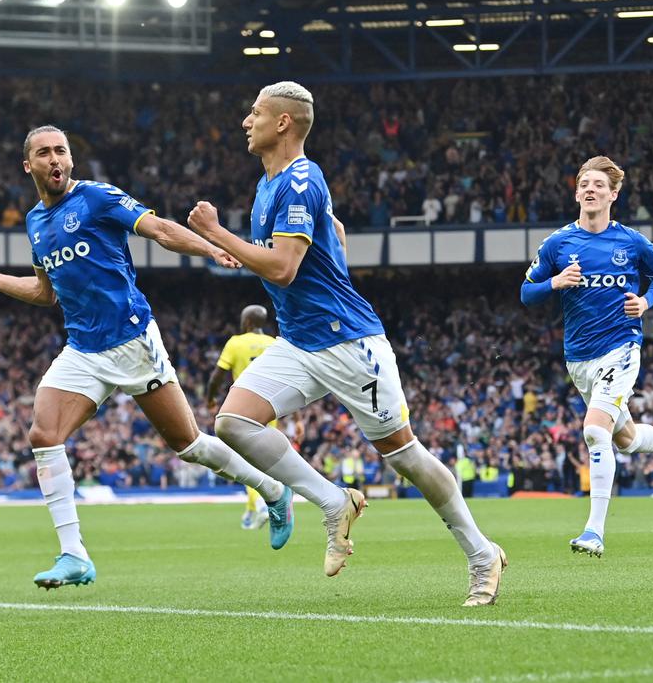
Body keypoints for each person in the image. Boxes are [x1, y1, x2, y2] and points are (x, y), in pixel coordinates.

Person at [186, 81, 505, 606]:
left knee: (405, 457)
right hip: (300, 342)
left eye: (255, 112)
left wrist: (218, 234)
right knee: (232, 423)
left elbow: (285, 269)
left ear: (283, 122)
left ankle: (481, 554)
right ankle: (334, 503)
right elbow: (327, 243)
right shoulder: (270, 185)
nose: (246, 121)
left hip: (348, 343)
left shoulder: (299, 181)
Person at [0, 125, 293, 589]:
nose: (54, 159)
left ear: (71, 160)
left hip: (133, 340)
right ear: (29, 165)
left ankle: (272, 489)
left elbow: (157, 229)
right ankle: (73, 554)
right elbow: (45, 291)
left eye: (61, 150)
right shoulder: (36, 222)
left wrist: (210, 247)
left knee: (189, 445)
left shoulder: (97, 198)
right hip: (82, 349)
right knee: (44, 432)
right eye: (44, 153)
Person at [519, 155, 653, 558]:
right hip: (578, 358)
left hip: (621, 347)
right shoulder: (558, 244)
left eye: (599, 184)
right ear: (576, 191)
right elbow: (526, 294)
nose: (590, 189)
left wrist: (646, 302)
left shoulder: (630, 241)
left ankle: (594, 532)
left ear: (613, 194)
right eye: (584, 183)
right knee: (626, 439)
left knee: (595, 431)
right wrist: (555, 282)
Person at [206, 303, 294, 544]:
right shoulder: (275, 343)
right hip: (270, 409)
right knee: (260, 461)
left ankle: (264, 503)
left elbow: (217, 375)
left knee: (247, 462)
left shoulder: (235, 342)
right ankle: (252, 510)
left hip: (243, 409)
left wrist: (211, 398)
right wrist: (295, 417)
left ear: (246, 322)